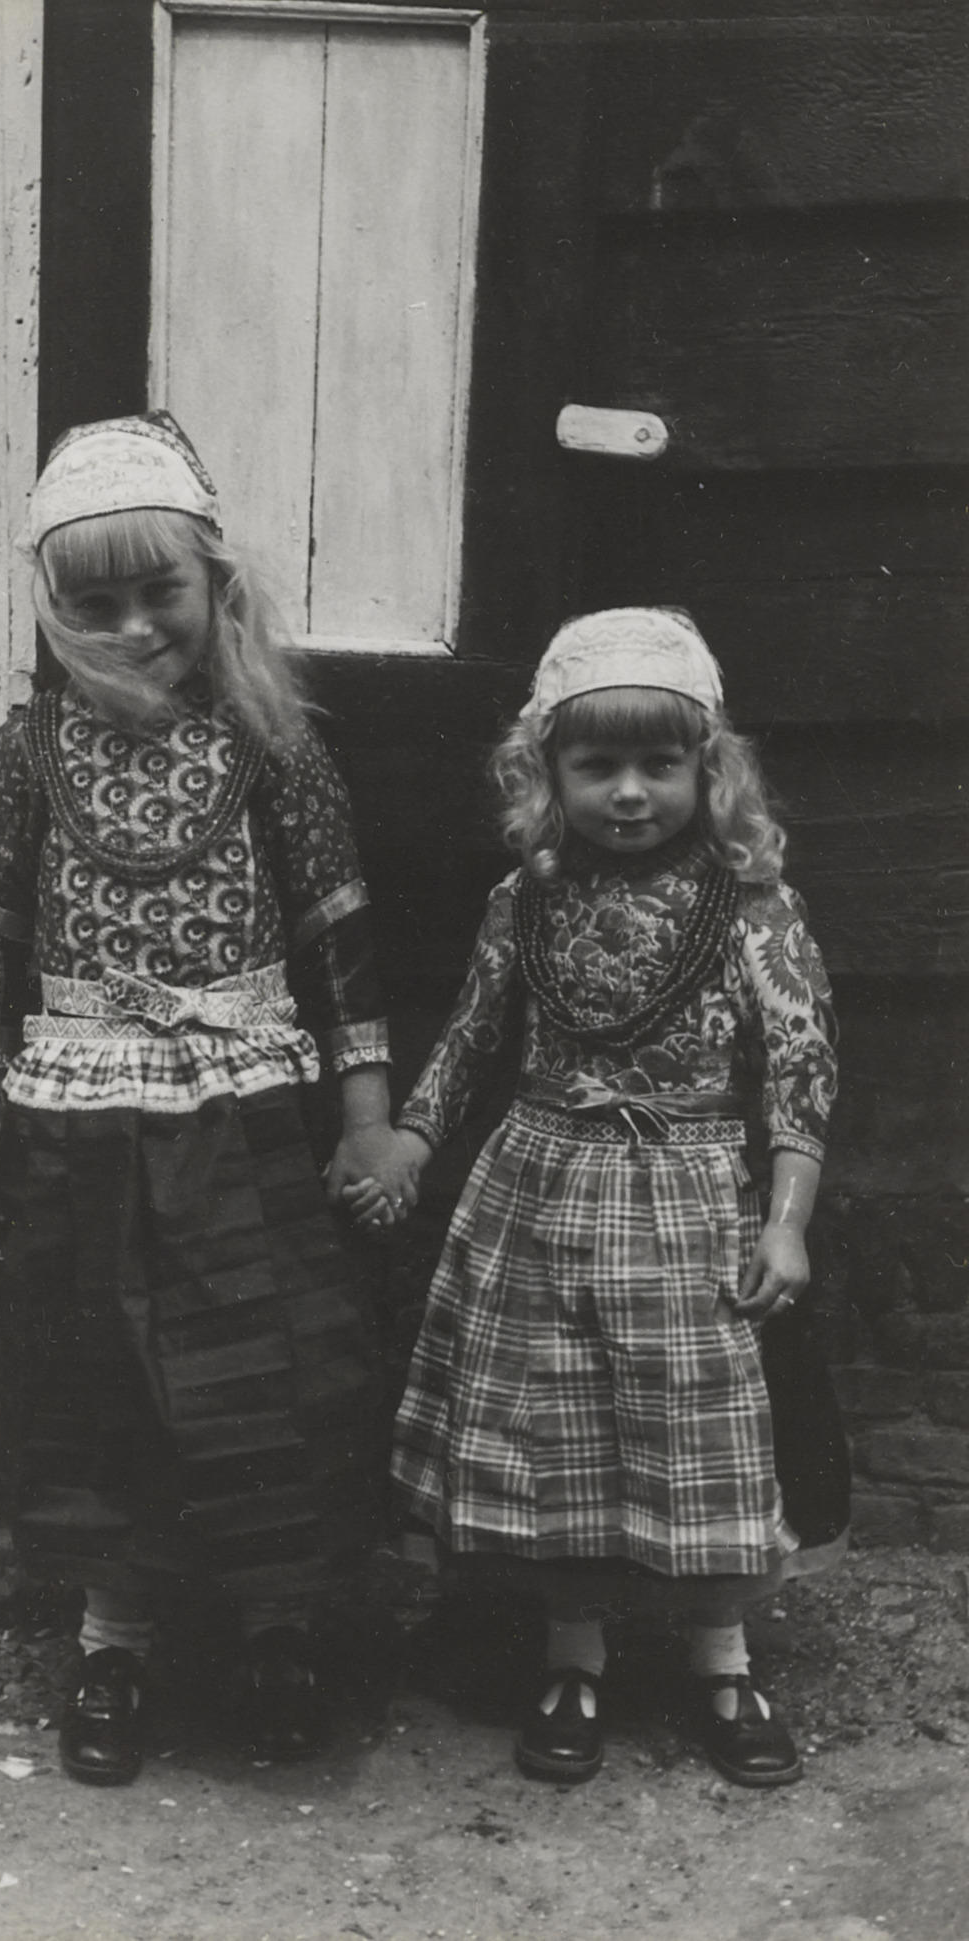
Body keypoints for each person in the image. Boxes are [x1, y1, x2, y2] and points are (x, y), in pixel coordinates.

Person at [0, 412, 399, 1784]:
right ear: (52, 610)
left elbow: (339, 935)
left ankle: (278, 1631)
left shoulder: (271, 743)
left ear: (217, 584)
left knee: (264, 1368)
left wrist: (367, 1111)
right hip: (80, 1112)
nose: (136, 629)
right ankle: (114, 1639)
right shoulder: (29, 752)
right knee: (102, 1378)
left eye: (163, 593)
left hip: (244, 1106)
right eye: (97, 606)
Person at [341, 607, 847, 1789]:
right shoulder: (527, 898)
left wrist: (785, 1221)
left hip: (690, 1201)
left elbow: (801, 1066)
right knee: (554, 1429)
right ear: (548, 772)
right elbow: (472, 1036)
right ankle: (572, 1658)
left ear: (708, 770)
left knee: (699, 1434)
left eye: (658, 765)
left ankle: (722, 1663)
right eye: (597, 765)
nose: (628, 793)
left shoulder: (752, 907)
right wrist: (411, 1139)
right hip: (541, 1192)